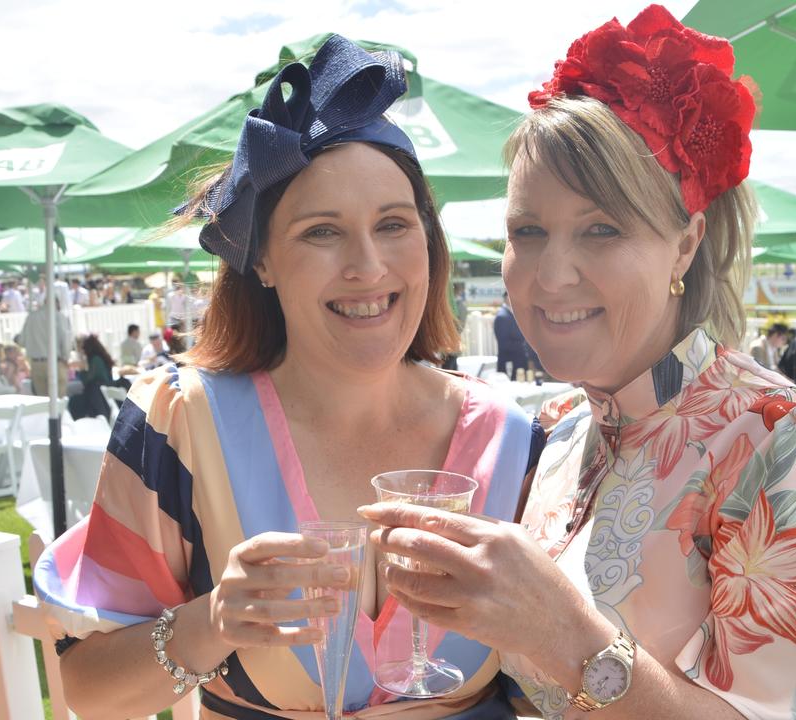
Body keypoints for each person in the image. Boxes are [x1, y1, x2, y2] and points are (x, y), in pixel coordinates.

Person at [361, 8, 796, 718]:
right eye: (527, 232)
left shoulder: (792, 447)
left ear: (685, 245)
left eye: (601, 229)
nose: (550, 274)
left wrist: (570, 639)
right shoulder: (563, 434)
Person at [33, 35, 540, 720]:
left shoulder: (517, 444)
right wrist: (211, 621)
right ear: (262, 260)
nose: (367, 266)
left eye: (393, 224)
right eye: (321, 232)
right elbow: (88, 691)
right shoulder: (182, 423)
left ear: (428, 241)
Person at [21, 295, 72, 396]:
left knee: (43, 403)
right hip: (56, 363)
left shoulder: (31, 317)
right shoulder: (60, 317)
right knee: (58, 401)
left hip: (36, 364)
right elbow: (66, 340)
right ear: (57, 304)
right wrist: (66, 357)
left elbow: (22, 341)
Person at [67, 334, 116, 420]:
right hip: (99, 392)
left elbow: (87, 380)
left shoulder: (95, 360)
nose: (82, 350)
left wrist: (82, 369)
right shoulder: (98, 358)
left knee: (74, 400)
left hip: (97, 394)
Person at [493, 291, 537, 378]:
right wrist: (525, 345)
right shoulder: (502, 317)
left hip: (518, 362)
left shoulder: (513, 313)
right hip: (510, 365)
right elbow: (504, 344)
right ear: (506, 298)